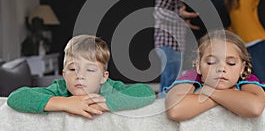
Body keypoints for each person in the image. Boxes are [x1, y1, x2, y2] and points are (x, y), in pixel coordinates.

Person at [7, 35, 156, 119]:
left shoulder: (109, 88)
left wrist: (104, 104)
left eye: (90, 70)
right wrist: (65, 103)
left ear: (103, 77)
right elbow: (16, 97)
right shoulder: (60, 88)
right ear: (64, 74)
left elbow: (146, 92)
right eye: (72, 69)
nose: (80, 75)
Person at [165, 29, 265, 121]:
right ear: (199, 66)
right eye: (211, 62)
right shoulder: (192, 76)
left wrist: (208, 92)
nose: (221, 68)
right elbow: (174, 110)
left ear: (242, 68)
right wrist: (230, 97)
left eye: (231, 63)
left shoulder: (246, 78)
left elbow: (255, 108)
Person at [224, 0, 265, 92]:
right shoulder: (229, 0)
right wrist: (228, 32)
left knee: (263, 78)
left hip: (257, 41)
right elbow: (236, 23)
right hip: (243, 46)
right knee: (249, 79)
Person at [153, 0, 200, 96]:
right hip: (168, 42)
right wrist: (180, 15)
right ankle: (164, 110)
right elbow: (158, 12)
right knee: (169, 81)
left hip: (176, 43)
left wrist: (185, 23)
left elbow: (170, 14)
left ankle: (168, 108)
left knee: (173, 80)